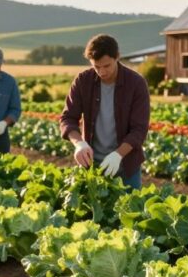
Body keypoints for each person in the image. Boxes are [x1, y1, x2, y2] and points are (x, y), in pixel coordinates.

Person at [60, 34, 150, 189]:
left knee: (131, 211)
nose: (101, 72)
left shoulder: (136, 83)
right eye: (96, 67)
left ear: (117, 57)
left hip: (126, 167)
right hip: (92, 167)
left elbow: (139, 130)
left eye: (106, 66)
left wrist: (118, 155)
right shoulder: (83, 81)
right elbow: (68, 118)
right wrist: (79, 144)